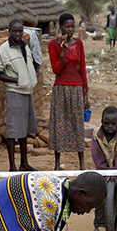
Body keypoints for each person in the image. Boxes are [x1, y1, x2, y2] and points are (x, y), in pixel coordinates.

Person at [0, 19, 40, 172]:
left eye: (20, 31)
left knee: (23, 129)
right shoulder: (3, 50)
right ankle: (12, 166)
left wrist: (26, 80)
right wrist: (17, 80)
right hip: (15, 92)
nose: (18, 34)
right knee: (13, 130)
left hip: (27, 91)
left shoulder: (24, 47)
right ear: (9, 31)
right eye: (15, 31)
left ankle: (24, 163)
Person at [48, 12, 89, 171]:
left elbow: (83, 68)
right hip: (61, 89)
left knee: (78, 124)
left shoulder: (79, 44)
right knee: (59, 124)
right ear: (60, 27)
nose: (70, 29)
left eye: (73, 26)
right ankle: (57, 163)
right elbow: (56, 70)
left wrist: (86, 94)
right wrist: (64, 50)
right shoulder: (53, 44)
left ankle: (82, 163)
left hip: (77, 88)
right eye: (67, 26)